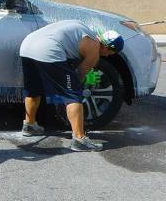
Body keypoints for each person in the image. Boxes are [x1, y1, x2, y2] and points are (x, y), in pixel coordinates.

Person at [19, 20, 123, 152]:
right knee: (73, 94)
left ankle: (29, 125)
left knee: (34, 90)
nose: (107, 55)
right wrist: (75, 86)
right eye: (110, 53)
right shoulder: (94, 48)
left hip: (27, 46)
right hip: (48, 49)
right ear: (108, 47)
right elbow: (80, 74)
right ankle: (79, 139)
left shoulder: (84, 31)